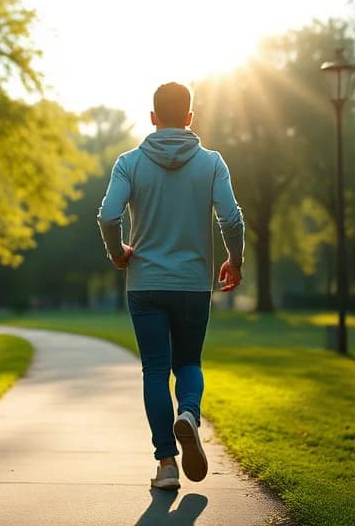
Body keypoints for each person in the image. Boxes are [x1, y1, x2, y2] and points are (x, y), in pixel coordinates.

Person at [97, 81, 245, 491]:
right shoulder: (212, 163)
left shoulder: (129, 163)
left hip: (144, 283)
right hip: (193, 283)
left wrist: (117, 252)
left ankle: (166, 465)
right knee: (189, 364)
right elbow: (231, 219)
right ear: (190, 118)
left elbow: (109, 216)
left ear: (152, 118)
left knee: (155, 371)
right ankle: (190, 415)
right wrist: (234, 259)